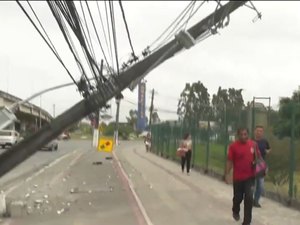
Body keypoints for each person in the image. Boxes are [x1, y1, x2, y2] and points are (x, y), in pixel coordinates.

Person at [225, 127, 261, 225]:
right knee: (238, 198)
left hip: (250, 177)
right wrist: (227, 174)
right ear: (238, 135)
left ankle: (247, 222)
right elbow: (229, 161)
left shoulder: (253, 145)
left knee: (249, 198)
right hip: (238, 178)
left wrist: (258, 165)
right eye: (241, 134)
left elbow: (258, 158)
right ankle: (235, 210)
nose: (243, 136)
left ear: (248, 135)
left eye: (245, 134)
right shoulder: (233, 146)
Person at [253, 125, 271, 208]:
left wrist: (267, 151)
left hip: (261, 166)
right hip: (251, 165)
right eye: (257, 130)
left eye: (261, 131)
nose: (259, 132)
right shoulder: (250, 141)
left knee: (260, 185)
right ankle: (250, 199)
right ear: (254, 131)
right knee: (251, 184)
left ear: (262, 132)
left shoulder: (265, 141)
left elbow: (269, 149)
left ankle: (256, 201)